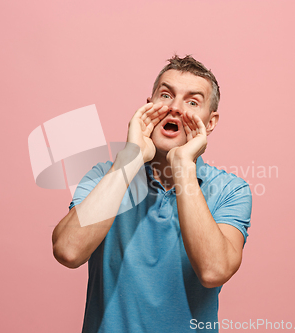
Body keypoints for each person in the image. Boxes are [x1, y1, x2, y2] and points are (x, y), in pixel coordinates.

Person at [52, 55, 252, 333]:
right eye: (165, 95)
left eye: (193, 102)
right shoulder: (105, 176)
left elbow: (214, 271)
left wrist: (183, 166)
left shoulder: (231, 190)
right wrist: (131, 158)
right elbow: (68, 251)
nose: (175, 108)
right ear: (148, 106)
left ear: (210, 122)